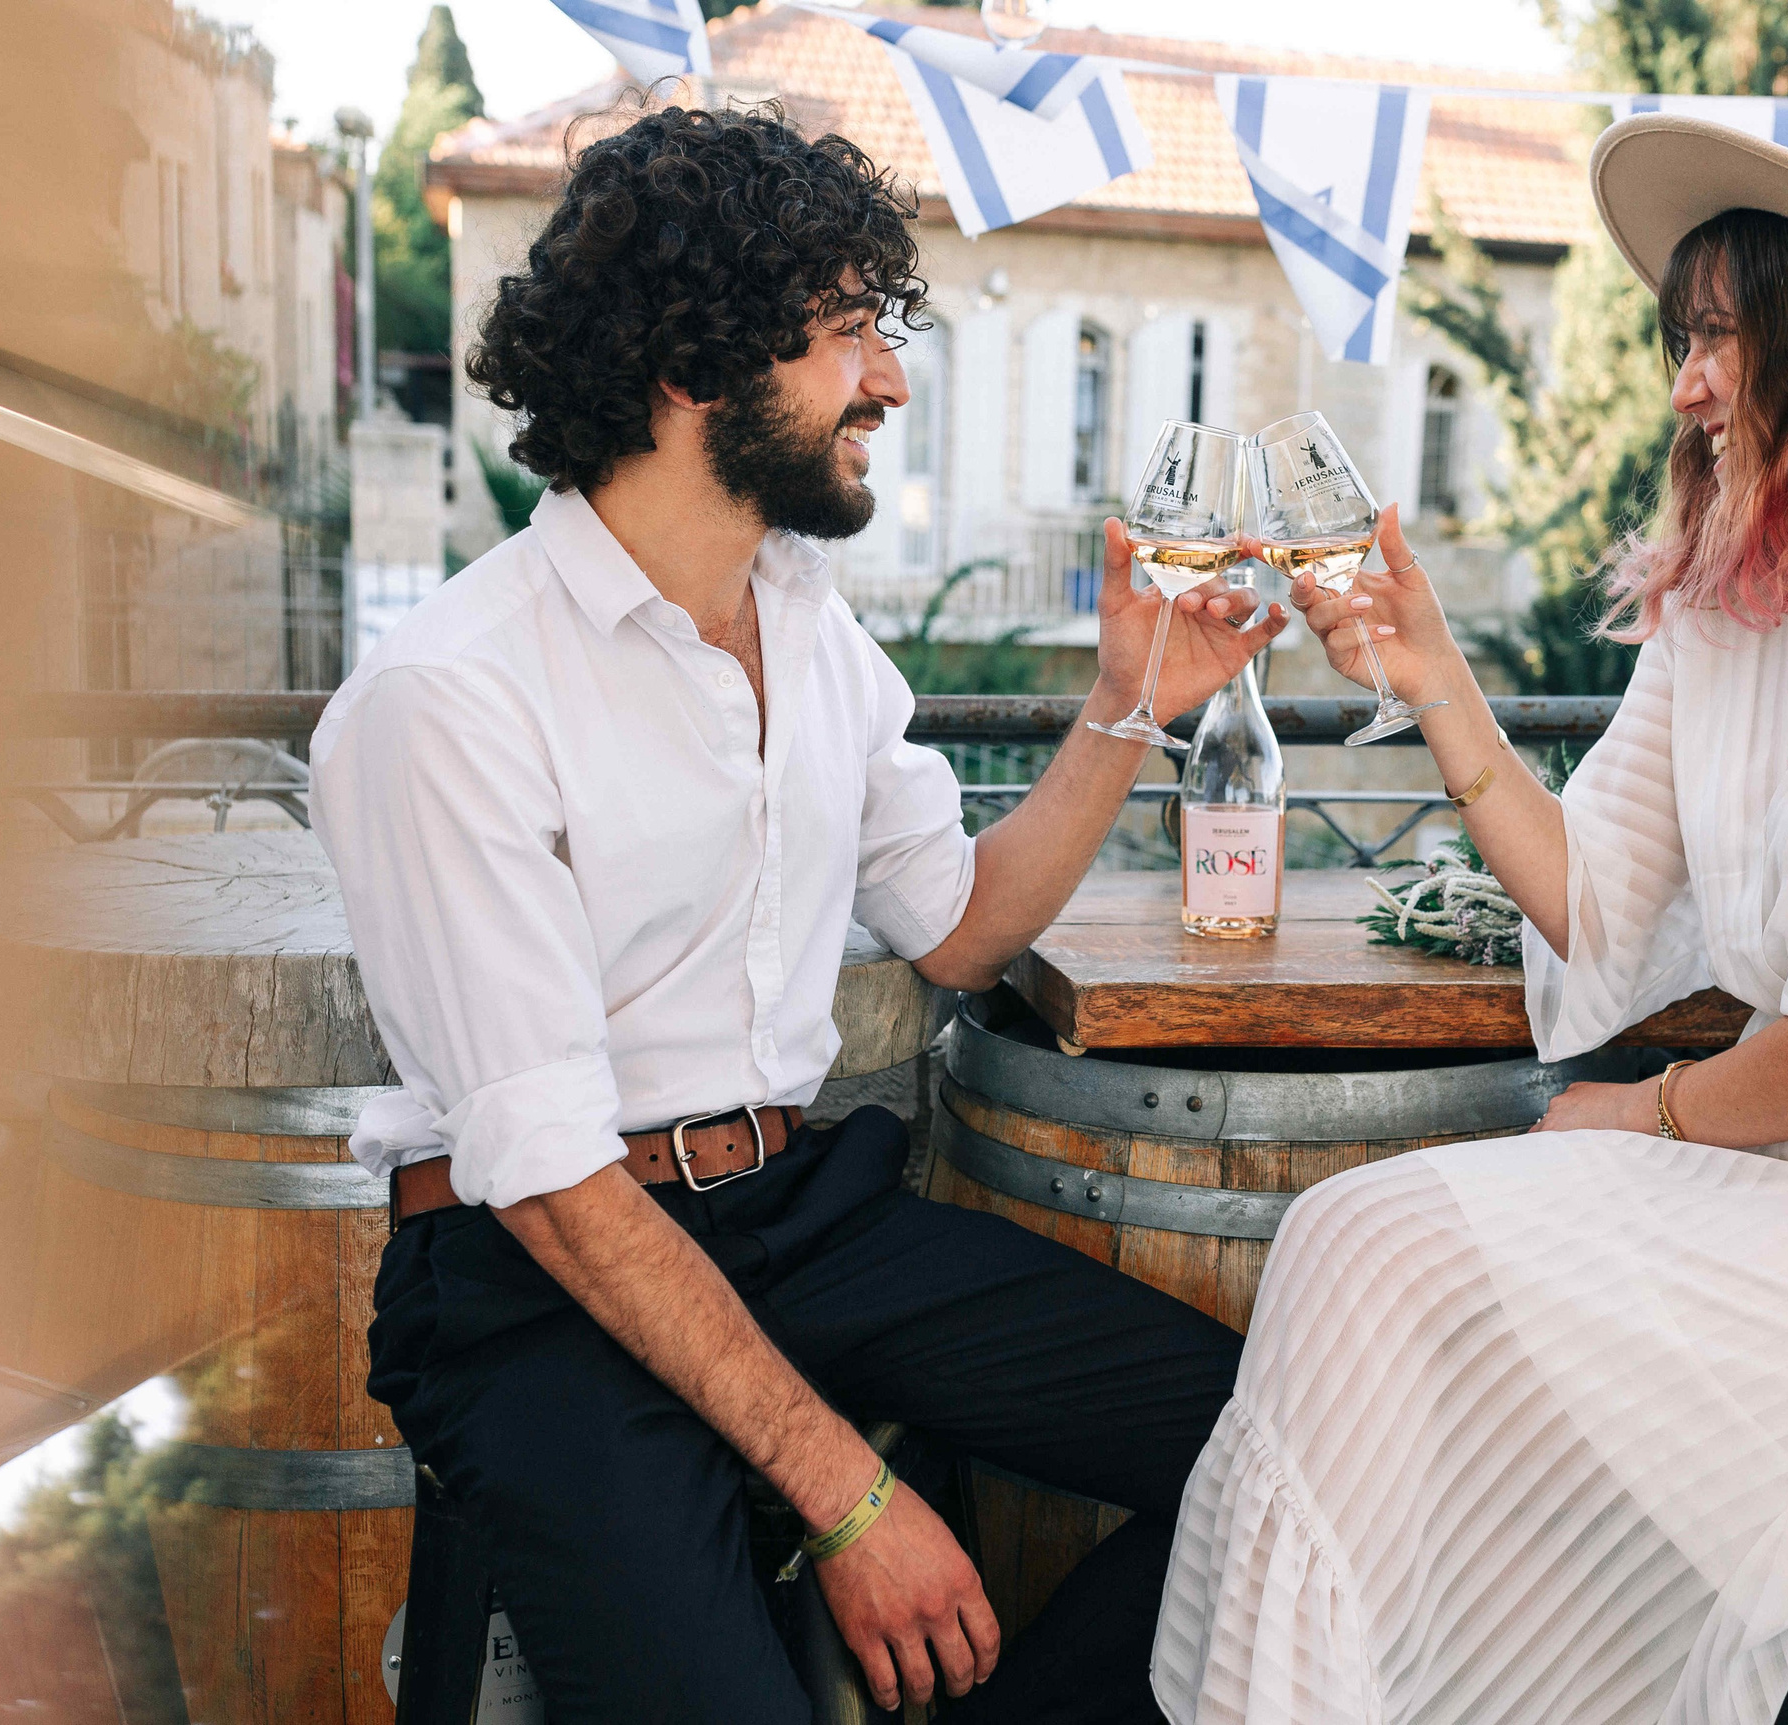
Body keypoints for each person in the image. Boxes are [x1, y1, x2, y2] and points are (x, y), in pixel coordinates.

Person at [1153, 112, 1788, 1725]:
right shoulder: (1742, 598)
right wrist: (1439, 690)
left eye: (1717, 334)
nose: (1686, 383)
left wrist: (1638, 1112)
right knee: (1370, 1265)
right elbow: (1601, 898)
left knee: (1371, 1246)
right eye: (1682, 338)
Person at [310, 105, 1284, 1725]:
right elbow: (549, 1182)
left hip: (796, 1219)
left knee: (1284, 1459)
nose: (888, 386)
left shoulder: (810, 625)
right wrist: (849, 1499)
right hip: (533, 1281)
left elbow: (959, 926)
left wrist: (1124, 703)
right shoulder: (447, 698)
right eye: (847, 336)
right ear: (693, 371)